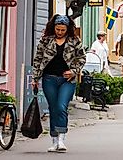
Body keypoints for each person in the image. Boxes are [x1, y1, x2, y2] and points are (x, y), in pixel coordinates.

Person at [33, 14, 86, 153]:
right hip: (49, 78)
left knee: (61, 106)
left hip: (67, 80)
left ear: (67, 29)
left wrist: (74, 71)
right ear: (54, 27)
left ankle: (62, 138)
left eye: (63, 30)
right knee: (53, 108)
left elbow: (81, 58)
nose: (60, 32)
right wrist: (35, 79)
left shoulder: (74, 41)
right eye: (58, 29)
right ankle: (54, 139)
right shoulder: (45, 41)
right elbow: (38, 60)